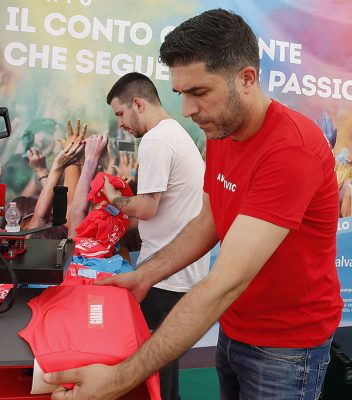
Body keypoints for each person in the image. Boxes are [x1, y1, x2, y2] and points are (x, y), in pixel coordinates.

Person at [44, 8, 343, 400]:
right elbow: (209, 220)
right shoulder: (221, 132)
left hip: (287, 348)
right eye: (181, 94)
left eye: (199, 92)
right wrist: (145, 274)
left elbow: (224, 282)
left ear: (247, 79)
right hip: (235, 327)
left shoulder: (291, 150)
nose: (186, 110)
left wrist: (118, 380)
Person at [102, 72, 210, 400]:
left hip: (164, 276)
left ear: (138, 104)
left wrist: (112, 198)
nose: (120, 123)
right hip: (181, 271)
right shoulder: (174, 133)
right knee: (165, 366)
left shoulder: (156, 141)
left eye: (121, 113)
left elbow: (148, 207)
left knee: (152, 375)